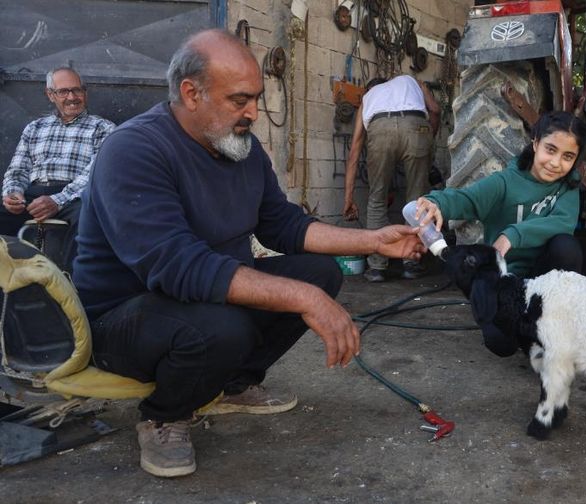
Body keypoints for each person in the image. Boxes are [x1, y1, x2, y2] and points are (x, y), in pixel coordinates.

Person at [72, 29, 425, 479]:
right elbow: (178, 266)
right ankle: (165, 414)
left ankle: (229, 386)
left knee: (318, 274)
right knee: (227, 325)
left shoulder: (240, 146)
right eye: (239, 100)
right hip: (122, 318)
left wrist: (373, 240)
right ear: (191, 93)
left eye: (257, 98)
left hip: (196, 297)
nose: (253, 113)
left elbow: (283, 224)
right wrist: (303, 300)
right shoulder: (135, 150)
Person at [415, 111, 586, 277]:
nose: (555, 163)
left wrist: (511, 236)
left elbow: (562, 222)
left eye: (567, 156)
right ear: (536, 144)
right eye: (550, 150)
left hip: (545, 279)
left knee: (567, 247)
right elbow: (467, 199)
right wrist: (436, 202)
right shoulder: (505, 182)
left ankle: (558, 306)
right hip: (506, 275)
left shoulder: (568, 184)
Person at [1, 66, 115, 271]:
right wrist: (13, 193)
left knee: (90, 216)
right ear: (50, 95)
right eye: (63, 92)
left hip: (75, 196)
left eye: (77, 90)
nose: (72, 97)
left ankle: (73, 286)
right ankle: (10, 289)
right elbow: (17, 169)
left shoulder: (103, 128)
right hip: (33, 193)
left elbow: (95, 174)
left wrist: (57, 200)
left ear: (85, 93)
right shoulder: (35, 127)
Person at [341, 74, 440, 283]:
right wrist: (428, 141)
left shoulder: (368, 98)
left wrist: (348, 198)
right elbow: (436, 110)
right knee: (417, 202)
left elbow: (354, 151)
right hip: (416, 125)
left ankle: (377, 267)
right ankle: (412, 263)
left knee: (377, 199)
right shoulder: (410, 79)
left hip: (380, 128)